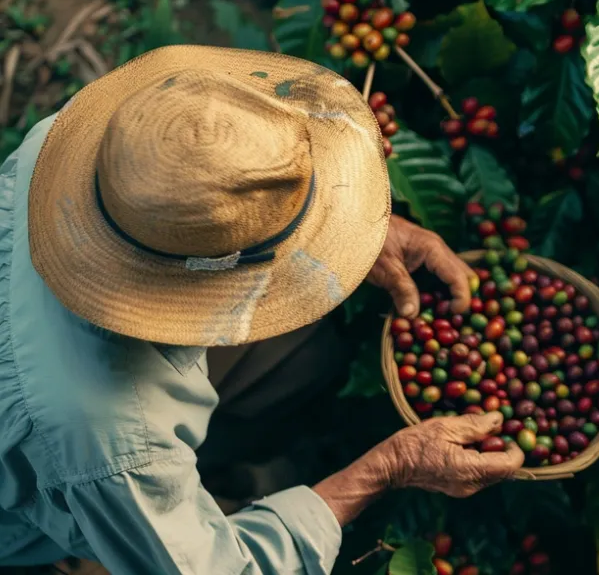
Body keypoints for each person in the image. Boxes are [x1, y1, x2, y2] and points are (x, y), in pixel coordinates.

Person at [0, 45, 525, 574]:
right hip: (50, 497)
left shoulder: (87, 150)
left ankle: (224, 469)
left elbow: (197, 210)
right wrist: (389, 468)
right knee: (120, 540)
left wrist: (351, 231)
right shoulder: (118, 443)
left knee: (300, 359)